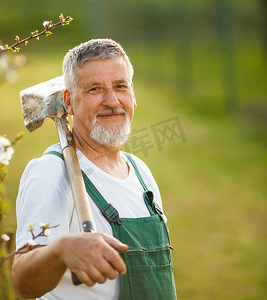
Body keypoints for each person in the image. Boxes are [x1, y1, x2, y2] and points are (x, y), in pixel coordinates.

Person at [12, 38, 177, 300]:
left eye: (120, 86)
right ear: (68, 101)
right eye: (95, 89)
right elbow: (22, 282)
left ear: (133, 96)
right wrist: (60, 250)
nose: (111, 101)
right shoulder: (51, 174)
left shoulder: (141, 173)